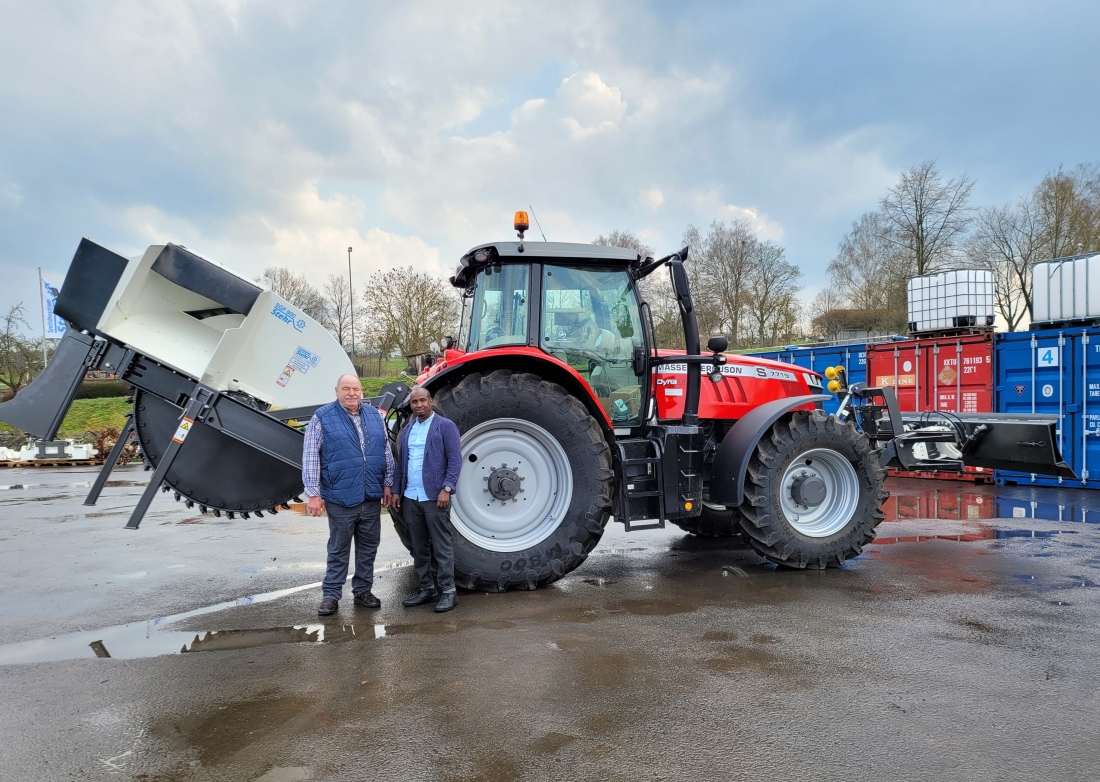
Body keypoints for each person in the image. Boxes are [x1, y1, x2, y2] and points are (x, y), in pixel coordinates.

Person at [303, 374, 394, 616]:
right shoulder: (322, 417)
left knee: (368, 546)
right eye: (346, 389)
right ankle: (331, 594)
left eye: (355, 389)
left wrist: (387, 483)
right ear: (337, 391)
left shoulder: (375, 416)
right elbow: (311, 455)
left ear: (361, 391)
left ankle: (363, 591)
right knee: (338, 548)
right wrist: (313, 493)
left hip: (371, 495)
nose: (351, 393)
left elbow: (385, 451)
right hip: (340, 495)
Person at [392, 386, 462, 613]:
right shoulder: (408, 429)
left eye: (423, 401)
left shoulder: (445, 426)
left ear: (431, 401)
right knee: (419, 547)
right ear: (411, 405)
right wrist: (396, 491)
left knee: (441, 546)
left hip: (434, 497)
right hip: (411, 497)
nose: (419, 405)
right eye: (415, 402)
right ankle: (426, 589)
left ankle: (449, 592)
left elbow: (455, 461)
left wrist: (447, 489)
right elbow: (402, 464)